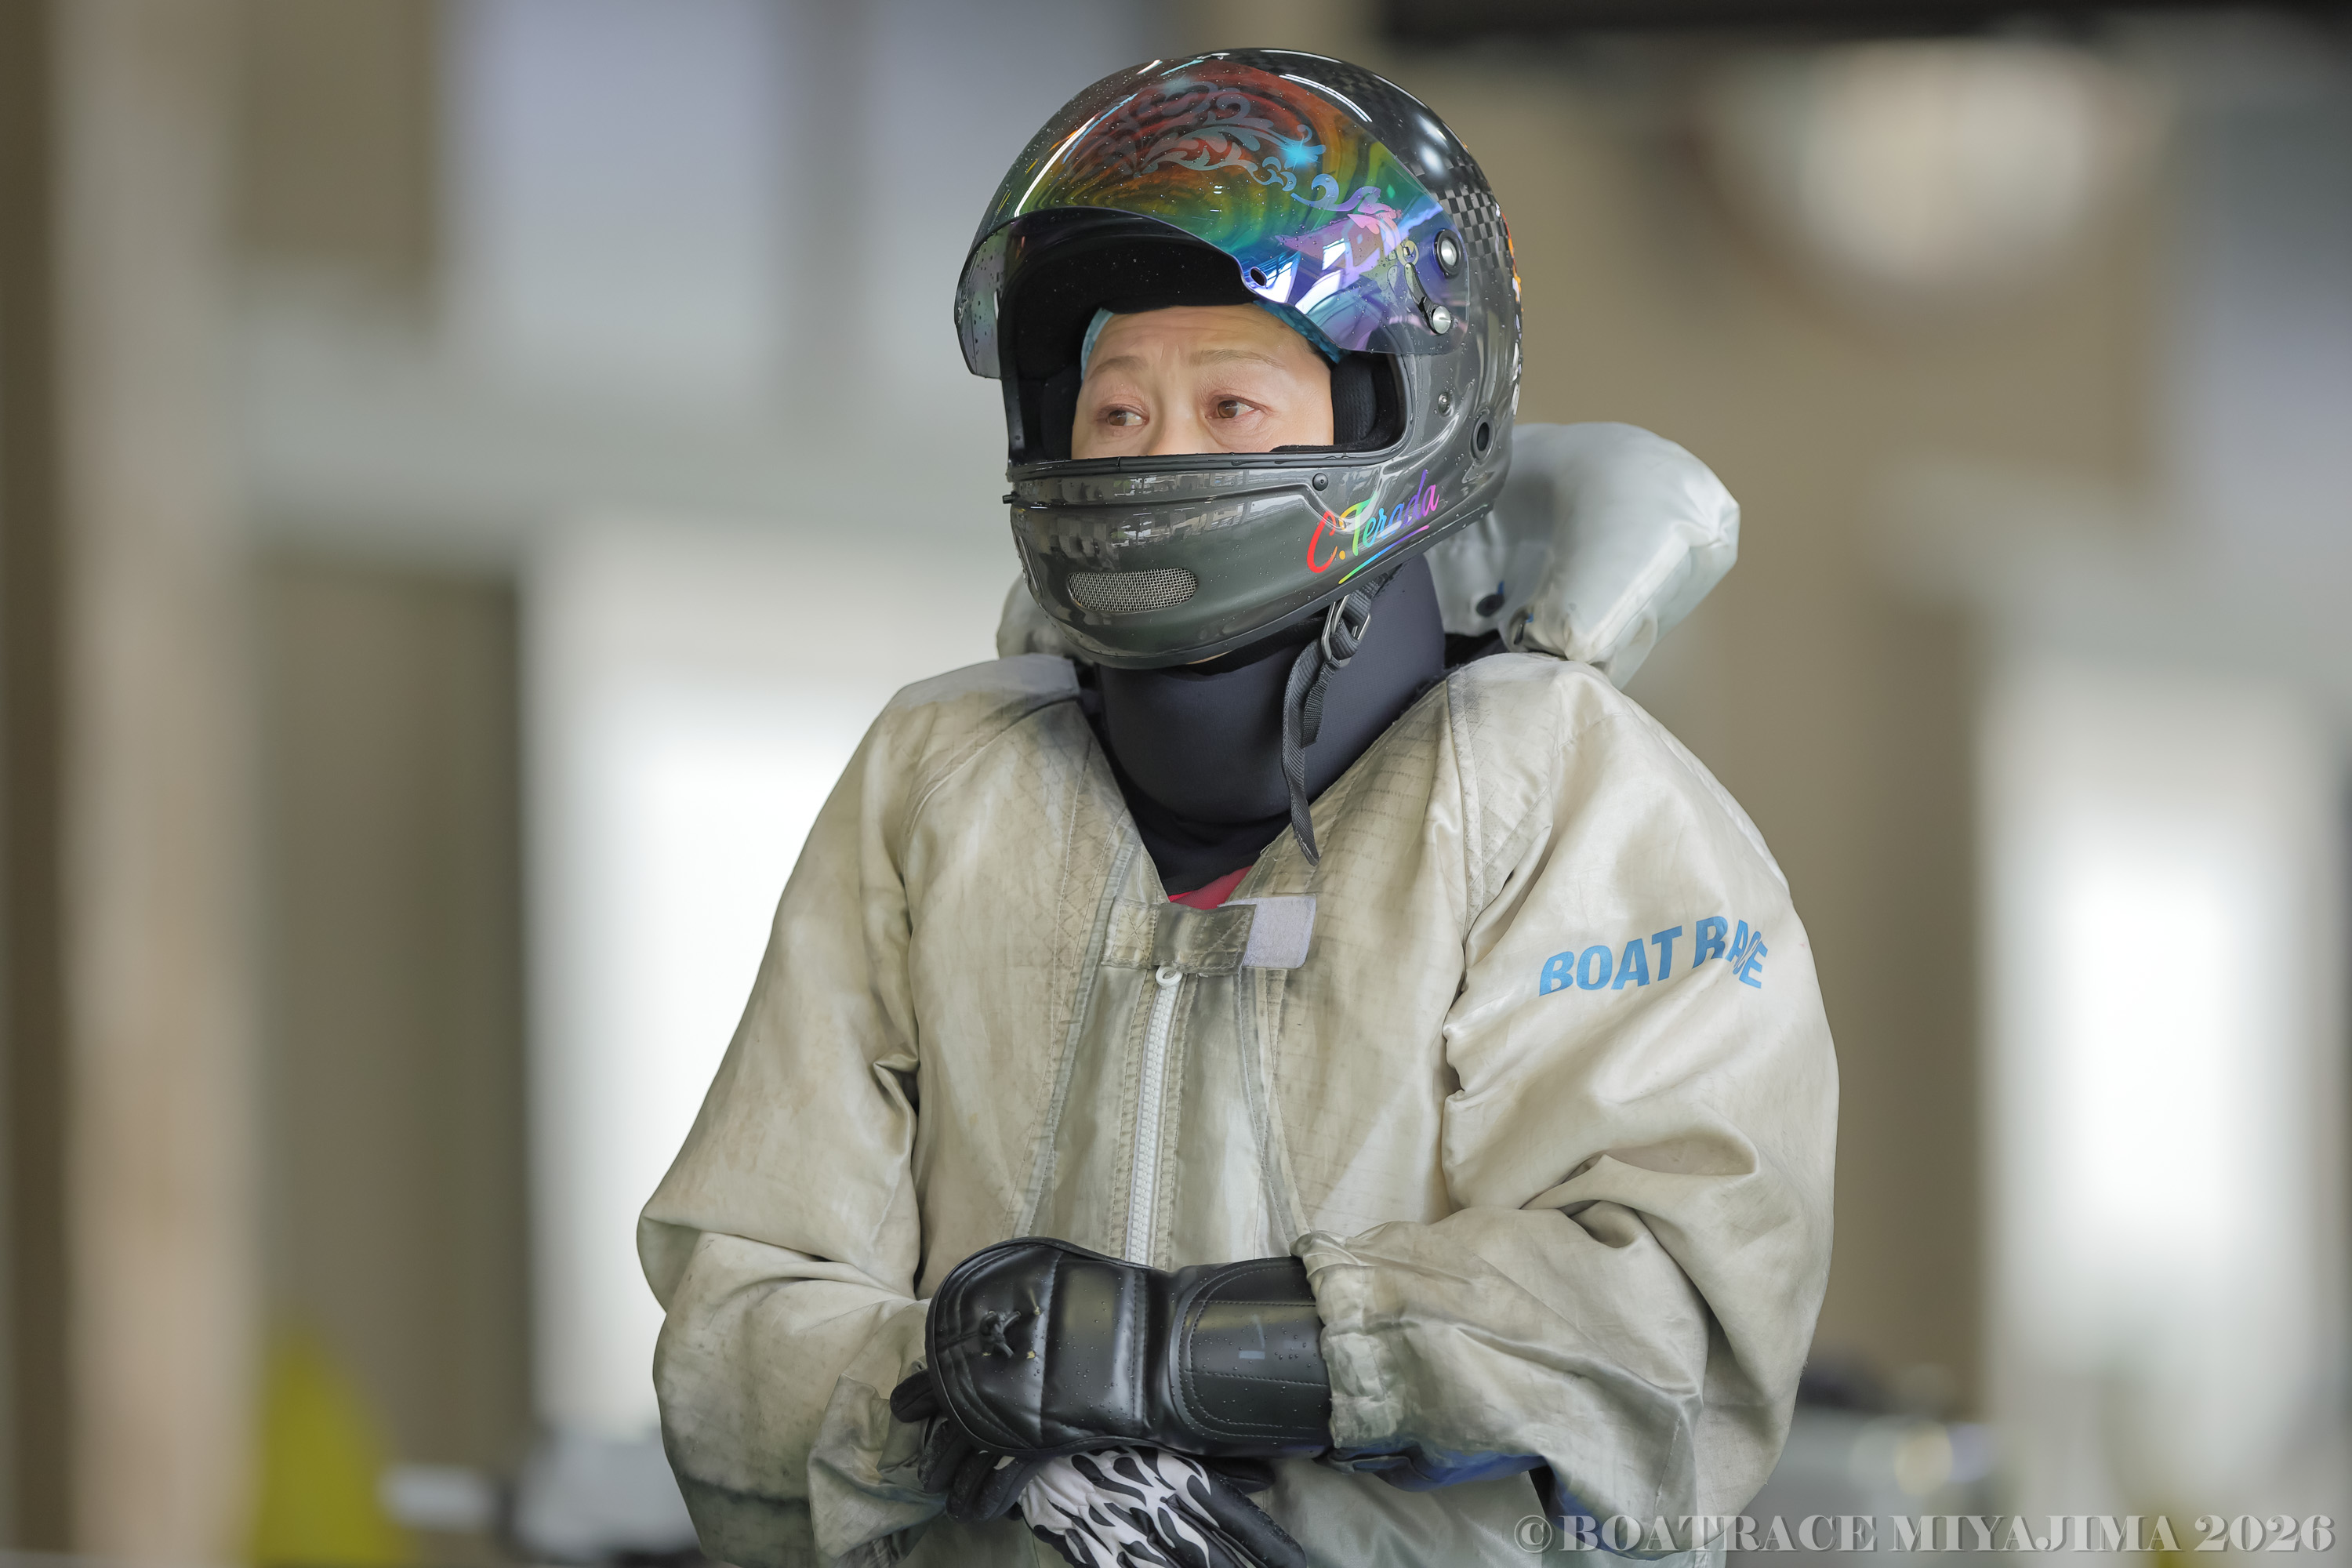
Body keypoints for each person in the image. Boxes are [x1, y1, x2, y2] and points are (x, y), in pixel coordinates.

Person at [639, 49, 1835, 1568]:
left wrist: (1190, 1356)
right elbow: (741, 1307)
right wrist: (959, 1400)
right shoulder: (941, 781)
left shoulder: (1566, 794)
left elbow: (1674, 1326)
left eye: (1230, 403)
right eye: (1117, 410)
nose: (1161, 457)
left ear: (1396, 407)